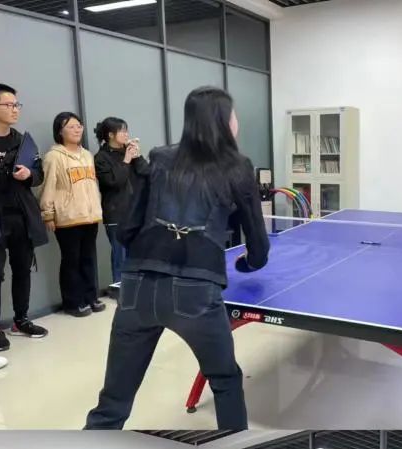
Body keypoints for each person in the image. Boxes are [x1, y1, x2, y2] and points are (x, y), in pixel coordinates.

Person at [84, 86, 269, 431]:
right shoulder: (238, 166)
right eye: (233, 114)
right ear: (223, 121)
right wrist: (248, 263)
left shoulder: (160, 157)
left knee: (112, 402)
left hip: (137, 286)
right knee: (225, 381)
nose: (236, 121)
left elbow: (128, 227)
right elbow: (258, 245)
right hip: (196, 291)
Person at [0, 82, 49, 351]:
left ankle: (21, 320)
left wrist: (30, 175)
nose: (15, 109)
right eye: (9, 104)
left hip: (21, 215)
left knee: (22, 269)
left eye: (17, 104)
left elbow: (39, 173)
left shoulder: (22, 141)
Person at [39, 111, 104, 317]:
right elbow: (47, 186)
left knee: (88, 258)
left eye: (79, 126)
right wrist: (48, 214)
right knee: (71, 260)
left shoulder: (87, 155)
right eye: (71, 127)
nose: (77, 130)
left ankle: (90, 297)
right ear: (60, 131)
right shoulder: (54, 157)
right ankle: (73, 302)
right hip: (68, 217)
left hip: (90, 216)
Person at [94, 117, 149, 286]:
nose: (126, 134)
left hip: (136, 211)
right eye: (122, 131)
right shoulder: (101, 157)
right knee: (120, 254)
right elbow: (114, 182)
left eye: (127, 131)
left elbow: (146, 173)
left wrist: (137, 156)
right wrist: (126, 160)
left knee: (138, 253)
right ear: (111, 135)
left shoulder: (129, 151)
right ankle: (121, 288)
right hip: (116, 213)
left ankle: (138, 287)